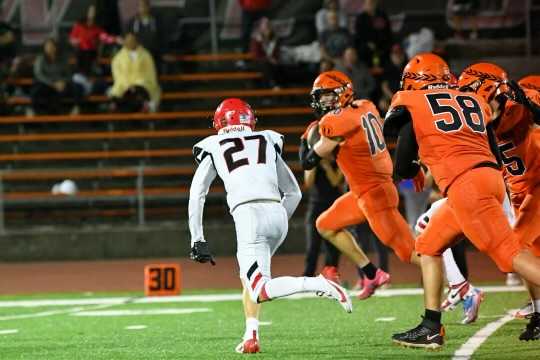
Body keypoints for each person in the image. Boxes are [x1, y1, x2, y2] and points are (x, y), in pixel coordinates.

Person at [385, 53, 540, 349]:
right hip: (489, 179)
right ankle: (431, 326)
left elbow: (400, 162)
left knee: (510, 256)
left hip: (466, 186)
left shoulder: (411, 101)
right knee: (428, 244)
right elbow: (493, 151)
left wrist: (416, 167)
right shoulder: (473, 101)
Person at [188, 98, 352, 354]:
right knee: (249, 277)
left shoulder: (213, 145)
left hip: (248, 214)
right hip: (277, 211)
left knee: (259, 287)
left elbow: (197, 194)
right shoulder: (266, 139)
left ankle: (319, 283)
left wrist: (197, 238)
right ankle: (251, 335)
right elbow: (294, 193)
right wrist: (277, 219)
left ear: (219, 122)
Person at [300, 70, 421, 300]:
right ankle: (371, 273)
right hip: (362, 192)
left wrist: (305, 139)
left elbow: (308, 162)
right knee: (325, 224)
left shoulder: (336, 121)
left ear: (342, 94)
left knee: (410, 252)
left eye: (327, 95)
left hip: (375, 194)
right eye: (321, 96)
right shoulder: (366, 105)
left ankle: (462, 287)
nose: (323, 101)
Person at [301, 121, 344, 283]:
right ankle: (307, 278)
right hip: (315, 205)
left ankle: (330, 277)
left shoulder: (339, 158)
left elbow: (336, 181)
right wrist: (314, 161)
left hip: (333, 206)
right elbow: (308, 182)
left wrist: (327, 167)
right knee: (312, 246)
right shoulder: (314, 160)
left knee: (333, 247)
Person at [109, 33, 160, 112]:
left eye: (132, 40)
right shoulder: (118, 58)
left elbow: (150, 73)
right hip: (124, 85)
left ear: (137, 41)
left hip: (142, 84)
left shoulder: (146, 55)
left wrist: (138, 84)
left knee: (140, 92)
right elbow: (117, 75)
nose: (130, 42)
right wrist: (129, 85)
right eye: (128, 40)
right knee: (118, 94)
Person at [31, 38, 84, 115]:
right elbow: (39, 74)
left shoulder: (63, 58)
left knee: (78, 87)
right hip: (47, 83)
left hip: (61, 83)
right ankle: (34, 110)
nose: (50, 48)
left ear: (56, 47)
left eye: (52, 46)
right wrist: (53, 83)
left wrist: (63, 82)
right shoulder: (40, 58)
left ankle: (77, 107)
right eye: (47, 46)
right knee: (36, 90)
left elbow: (68, 74)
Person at [69, 4, 119, 75]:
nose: (92, 13)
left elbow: (105, 38)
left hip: (91, 53)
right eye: (91, 11)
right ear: (87, 12)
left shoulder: (97, 28)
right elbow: (72, 39)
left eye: (94, 11)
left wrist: (115, 39)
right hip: (79, 51)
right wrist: (78, 41)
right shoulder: (79, 24)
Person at [354, 0, 393, 67]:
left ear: (375, 4)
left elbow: (387, 32)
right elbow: (359, 34)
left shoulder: (382, 16)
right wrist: (368, 43)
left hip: (382, 46)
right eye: (368, 3)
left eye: (372, 3)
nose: (370, 5)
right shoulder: (361, 18)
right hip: (366, 46)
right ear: (365, 5)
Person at [127, 0, 162, 69]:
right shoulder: (132, 22)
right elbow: (129, 38)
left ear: (149, 7)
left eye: (144, 6)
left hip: (154, 54)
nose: (142, 9)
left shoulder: (157, 21)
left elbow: (161, 38)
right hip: (138, 55)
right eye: (140, 6)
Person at [250, 17, 282, 88]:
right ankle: (272, 85)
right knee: (266, 66)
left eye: (268, 24)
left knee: (279, 67)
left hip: (272, 63)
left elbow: (277, 53)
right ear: (260, 27)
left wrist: (275, 59)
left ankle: (276, 87)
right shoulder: (256, 39)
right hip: (259, 63)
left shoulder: (274, 39)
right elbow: (256, 55)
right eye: (265, 24)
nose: (267, 26)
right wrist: (268, 59)